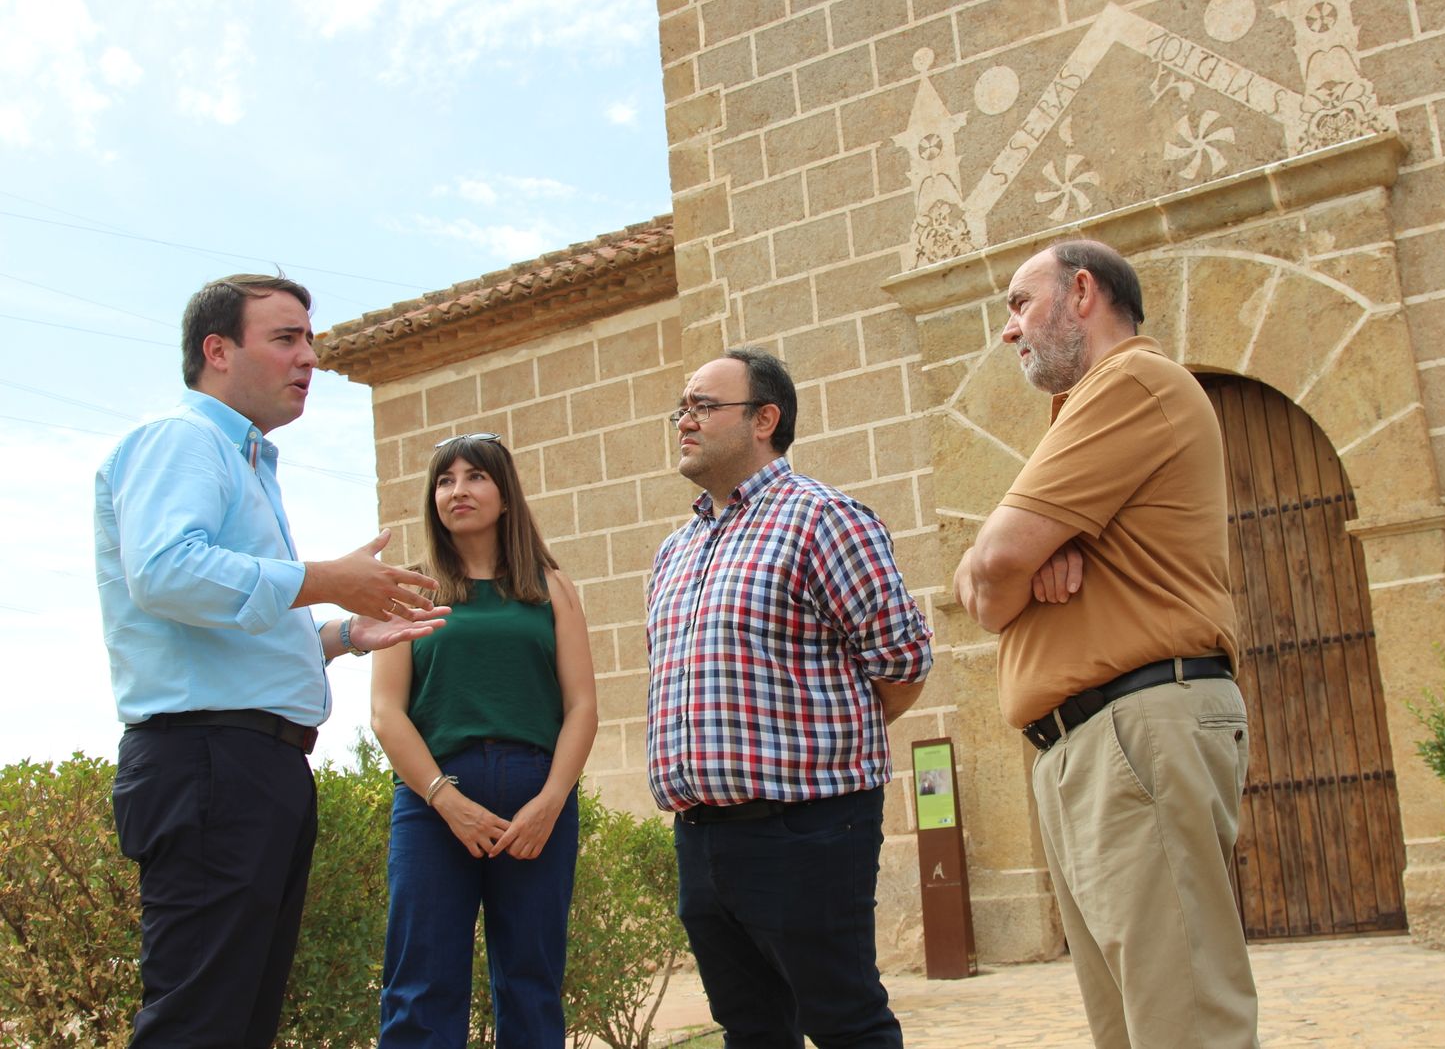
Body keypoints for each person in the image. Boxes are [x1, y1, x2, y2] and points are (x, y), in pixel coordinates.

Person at [97, 273, 450, 1048]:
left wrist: (344, 634)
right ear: (216, 351)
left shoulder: (249, 467)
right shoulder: (183, 440)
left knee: (238, 1022)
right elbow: (165, 573)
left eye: (310, 340)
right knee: (198, 1023)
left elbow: (232, 630)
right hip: (209, 764)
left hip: (250, 767)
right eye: (286, 338)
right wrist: (323, 578)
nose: (310, 358)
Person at [954, 240, 1259, 1048]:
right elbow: (974, 583)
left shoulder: (1130, 382)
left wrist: (1017, 557)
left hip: (1133, 731)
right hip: (1093, 745)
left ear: (1082, 291)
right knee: (1134, 1028)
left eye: (1020, 304)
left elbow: (990, 570)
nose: (1008, 331)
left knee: (1184, 1022)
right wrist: (1021, 557)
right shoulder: (1089, 409)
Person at [646, 347, 934, 1049]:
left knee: (844, 1022)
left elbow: (903, 660)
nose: (685, 420)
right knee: (749, 1031)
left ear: (765, 419)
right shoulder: (673, 552)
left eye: (703, 406)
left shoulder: (823, 519)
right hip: (702, 838)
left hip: (806, 829)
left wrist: (828, 739)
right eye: (681, 407)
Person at [370, 431, 598, 1048]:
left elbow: (581, 706)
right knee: (419, 985)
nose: (457, 491)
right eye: (445, 481)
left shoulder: (552, 587)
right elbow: (387, 713)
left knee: (530, 981)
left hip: (536, 799)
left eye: (475, 477)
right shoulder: (411, 593)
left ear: (505, 495)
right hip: (432, 800)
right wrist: (446, 798)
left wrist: (551, 801)